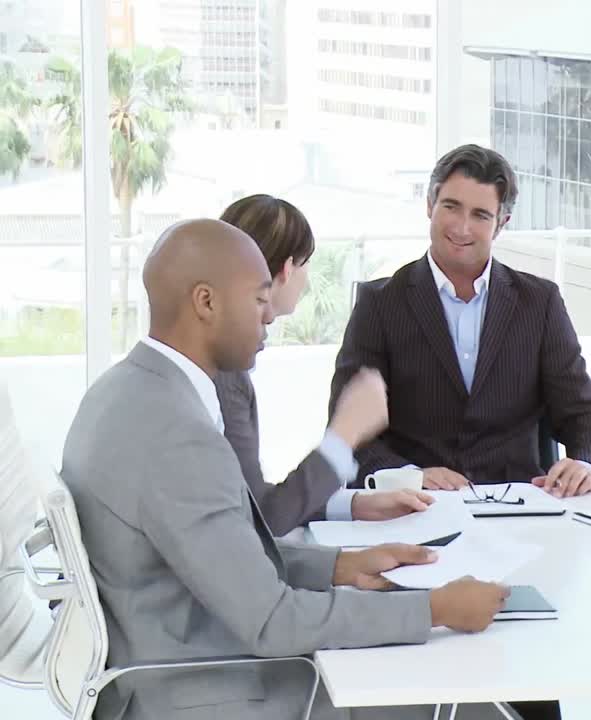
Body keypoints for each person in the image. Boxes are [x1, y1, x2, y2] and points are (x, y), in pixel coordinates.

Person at [60, 218, 510, 720]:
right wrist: (437, 609)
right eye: (257, 300)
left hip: (168, 662)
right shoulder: (174, 432)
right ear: (206, 302)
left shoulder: (120, 392)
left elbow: (219, 555)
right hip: (202, 688)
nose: (270, 315)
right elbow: (272, 620)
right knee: (470, 708)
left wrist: (340, 566)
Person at [330, 144, 591, 500]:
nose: (462, 227)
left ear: (501, 224)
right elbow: (348, 426)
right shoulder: (380, 304)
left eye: (480, 214)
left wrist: (586, 464)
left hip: (517, 508)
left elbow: (584, 412)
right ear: (430, 205)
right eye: (451, 207)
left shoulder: (539, 303)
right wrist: (408, 477)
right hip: (414, 507)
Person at [213, 194, 432, 536]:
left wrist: (353, 505)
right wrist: (343, 436)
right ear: (288, 268)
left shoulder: (221, 361)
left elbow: (250, 500)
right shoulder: (224, 373)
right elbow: (260, 519)